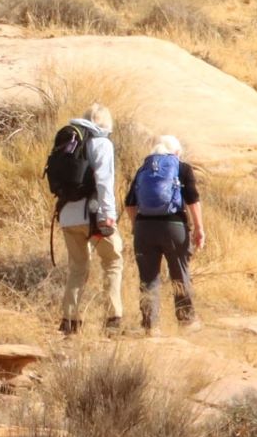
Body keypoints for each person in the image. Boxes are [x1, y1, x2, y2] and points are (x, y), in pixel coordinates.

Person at [47, 102, 123, 336]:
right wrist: (108, 216)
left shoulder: (69, 141)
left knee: (77, 268)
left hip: (67, 214)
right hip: (94, 216)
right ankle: (113, 318)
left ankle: (69, 322)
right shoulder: (102, 143)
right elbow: (104, 182)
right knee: (113, 260)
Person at [127, 133, 204, 332]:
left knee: (148, 277)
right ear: (176, 152)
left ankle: (150, 326)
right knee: (179, 273)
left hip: (144, 227)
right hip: (174, 226)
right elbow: (193, 200)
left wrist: (137, 226)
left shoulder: (143, 169)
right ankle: (186, 321)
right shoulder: (181, 167)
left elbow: (129, 203)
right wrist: (199, 228)